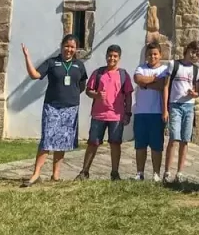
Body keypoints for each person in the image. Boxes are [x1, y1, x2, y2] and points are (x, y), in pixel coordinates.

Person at [19, 36, 89, 186]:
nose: (69, 49)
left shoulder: (79, 65)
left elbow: (82, 85)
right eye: (66, 46)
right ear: (61, 46)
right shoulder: (52, 63)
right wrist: (27, 57)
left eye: (72, 47)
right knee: (47, 140)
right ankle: (36, 173)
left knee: (62, 141)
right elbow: (35, 75)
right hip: (52, 106)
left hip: (70, 108)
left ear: (75, 49)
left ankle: (56, 175)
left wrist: (71, 96)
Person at [77, 43, 133, 181]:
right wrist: (96, 95)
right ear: (106, 56)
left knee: (115, 144)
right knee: (92, 143)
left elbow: (129, 95)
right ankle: (84, 172)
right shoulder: (98, 73)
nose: (112, 58)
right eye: (110, 55)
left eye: (115, 56)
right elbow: (88, 91)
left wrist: (128, 113)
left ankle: (115, 173)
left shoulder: (123, 75)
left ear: (119, 58)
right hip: (98, 115)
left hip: (116, 115)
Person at [163, 40, 199, 183]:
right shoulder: (173, 65)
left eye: (198, 54)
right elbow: (166, 87)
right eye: (193, 52)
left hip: (189, 106)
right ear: (186, 50)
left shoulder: (196, 70)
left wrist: (194, 94)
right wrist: (165, 109)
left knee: (185, 140)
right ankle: (167, 171)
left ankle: (179, 173)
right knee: (174, 138)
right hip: (175, 105)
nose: (194, 56)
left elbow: (197, 91)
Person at [132, 41, 169, 182]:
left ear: (160, 55)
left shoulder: (165, 70)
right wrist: (154, 79)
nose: (152, 56)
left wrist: (146, 84)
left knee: (156, 145)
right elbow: (138, 79)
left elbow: (163, 85)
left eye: (155, 54)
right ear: (146, 55)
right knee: (140, 144)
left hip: (157, 112)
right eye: (149, 54)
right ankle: (140, 172)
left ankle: (156, 173)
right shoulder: (140, 68)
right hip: (141, 112)